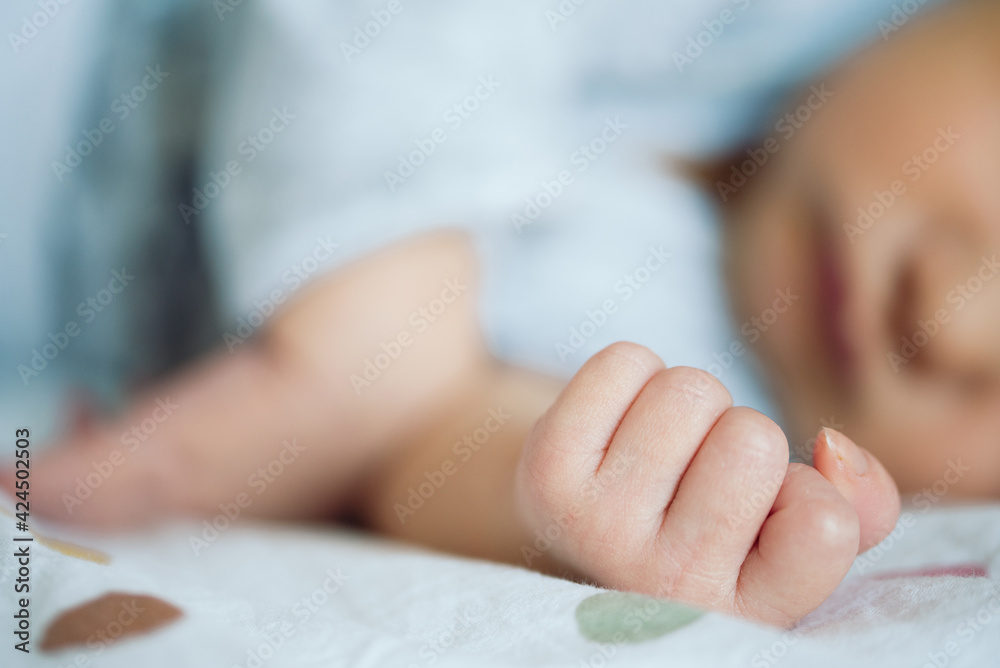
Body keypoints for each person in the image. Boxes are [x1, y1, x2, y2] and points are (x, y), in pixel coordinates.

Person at [6, 0, 997, 627]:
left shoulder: (738, 415)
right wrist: (369, 328)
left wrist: (574, 513)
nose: (949, 320)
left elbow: (434, 446)